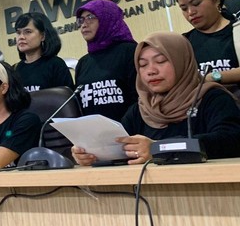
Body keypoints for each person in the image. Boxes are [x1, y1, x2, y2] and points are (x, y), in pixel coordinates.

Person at [72, 32, 240, 166]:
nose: (151, 71)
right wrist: (93, 154)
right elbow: (118, 145)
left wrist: (158, 148)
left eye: (160, 61)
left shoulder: (212, 98)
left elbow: (230, 140)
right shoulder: (141, 109)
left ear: (182, 62)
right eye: (143, 65)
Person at [74, 0, 138, 121]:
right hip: (94, 136)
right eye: (81, 20)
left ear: (107, 19)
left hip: (130, 132)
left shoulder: (130, 51)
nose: (84, 24)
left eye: (90, 17)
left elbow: (139, 97)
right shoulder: (83, 63)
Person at [175, 0, 240, 85]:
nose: (190, 12)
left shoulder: (237, 30)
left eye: (196, 3)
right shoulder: (183, 43)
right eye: (184, 8)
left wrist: (213, 77)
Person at [13, 12, 74, 92]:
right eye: (18, 33)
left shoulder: (56, 65)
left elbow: (67, 99)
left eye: (28, 32)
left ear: (43, 36)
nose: (21, 37)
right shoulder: (14, 69)